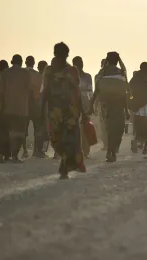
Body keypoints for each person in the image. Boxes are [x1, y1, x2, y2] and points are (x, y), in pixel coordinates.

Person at [41, 42, 87, 179]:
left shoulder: (72, 71)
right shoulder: (49, 71)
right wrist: (41, 108)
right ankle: (65, 163)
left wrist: (82, 112)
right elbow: (45, 91)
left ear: (67, 55)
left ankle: (64, 167)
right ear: (55, 54)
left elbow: (76, 93)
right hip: (54, 112)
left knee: (69, 140)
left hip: (69, 111)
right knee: (56, 140)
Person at [89, 52, 129, 162]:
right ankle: (111, 151)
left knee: (112, 129)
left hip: (108, 105)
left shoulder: (103, 73)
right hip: (114, 105)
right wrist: (126, 110)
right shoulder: (120, 73)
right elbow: (124, 93)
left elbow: (97, 91)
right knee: (117, 129)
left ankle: (111, 151)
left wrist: (91, 104)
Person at [1, 55, 31, 162]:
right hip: (21, 108)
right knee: (19, 133)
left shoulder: (5, 73)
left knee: (8, 132)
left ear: (12, 61)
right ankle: (15, 155)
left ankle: (5, 156)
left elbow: (1, 90)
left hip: (8, 107)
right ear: (21, 62)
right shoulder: (25, 73)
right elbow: (28, 88)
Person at [129, 62, 147, 154]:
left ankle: (137, 142)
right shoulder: (146, 78)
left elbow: (130, 90)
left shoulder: (135, 78)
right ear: (145, 69)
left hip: (138, 106)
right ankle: (145, 148)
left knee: (140, 126)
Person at [72, 56, 93, 158]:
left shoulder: (87, 76)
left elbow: (90, 91)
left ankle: (85, 151)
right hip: (73, 104)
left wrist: (91, 105)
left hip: (84, 103)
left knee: (85, 128)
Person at [23, 56, 44, 158]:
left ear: (25, 62)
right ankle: (36, 151)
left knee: (23, 128)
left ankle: (24, 151)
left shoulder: (21, 74)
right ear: (34, 63)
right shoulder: (37, 75)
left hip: (23, 104)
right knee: (37, 128)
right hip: (35, 104)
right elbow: (41, 90)